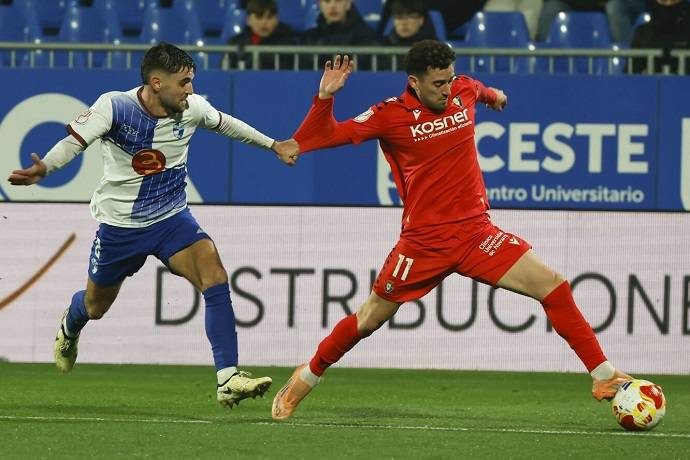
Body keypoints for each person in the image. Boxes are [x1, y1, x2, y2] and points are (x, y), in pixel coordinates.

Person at [271, 40, 632, 420]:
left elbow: (479, 89)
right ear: (414, 82)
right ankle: (305, 377)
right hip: (423, 244)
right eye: (438, 83)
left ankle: (603, 376)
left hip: (477, 234)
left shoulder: (462, 90)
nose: (446, 89)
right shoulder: (389, 115)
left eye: (449, 80)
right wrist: (324, 97)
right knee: (368, 319)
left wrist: (495, 97)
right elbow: (319, 136)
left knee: (552, 285)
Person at [7, 42, 299, 409]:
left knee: (214, 275)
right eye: (184, 82)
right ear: (157, 83)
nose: (190, 90)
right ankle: (70, 324)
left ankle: (227, 378)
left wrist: (274, 145)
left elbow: (228, 125)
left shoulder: (192, 109)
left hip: (171, 219)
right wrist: (46, 167)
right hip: (120, 225)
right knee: (96, 306)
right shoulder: (115, 106)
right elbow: (74, 142)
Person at [229, 0, 297, 70]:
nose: (264, 22)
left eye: (269, 17)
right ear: (248, 20)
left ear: (276, 20)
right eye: (258, 17)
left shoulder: (288, 42)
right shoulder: (236, 42)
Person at [630, 0, 690, 74]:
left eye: (673, 0)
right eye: (663, 0)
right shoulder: (642, 33)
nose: (668, 3)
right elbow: (631, 71)